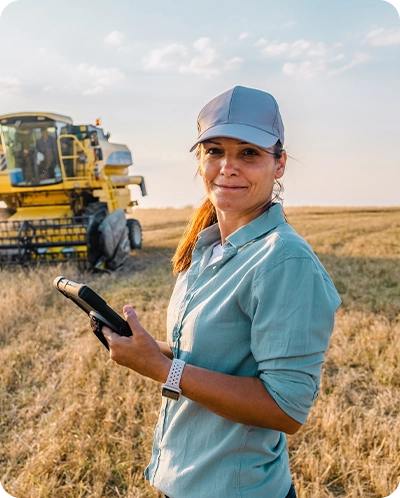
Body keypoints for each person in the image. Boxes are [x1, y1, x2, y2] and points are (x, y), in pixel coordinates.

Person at [101, 86, 341, 498]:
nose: (228, 166)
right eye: (214, 150)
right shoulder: (208, 248)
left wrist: (163, 371)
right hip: (182, 481)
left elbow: (286, 408)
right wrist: (149, 350)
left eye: (249, 153)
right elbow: (217, 361)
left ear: (279, 163)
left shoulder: (285, 261)